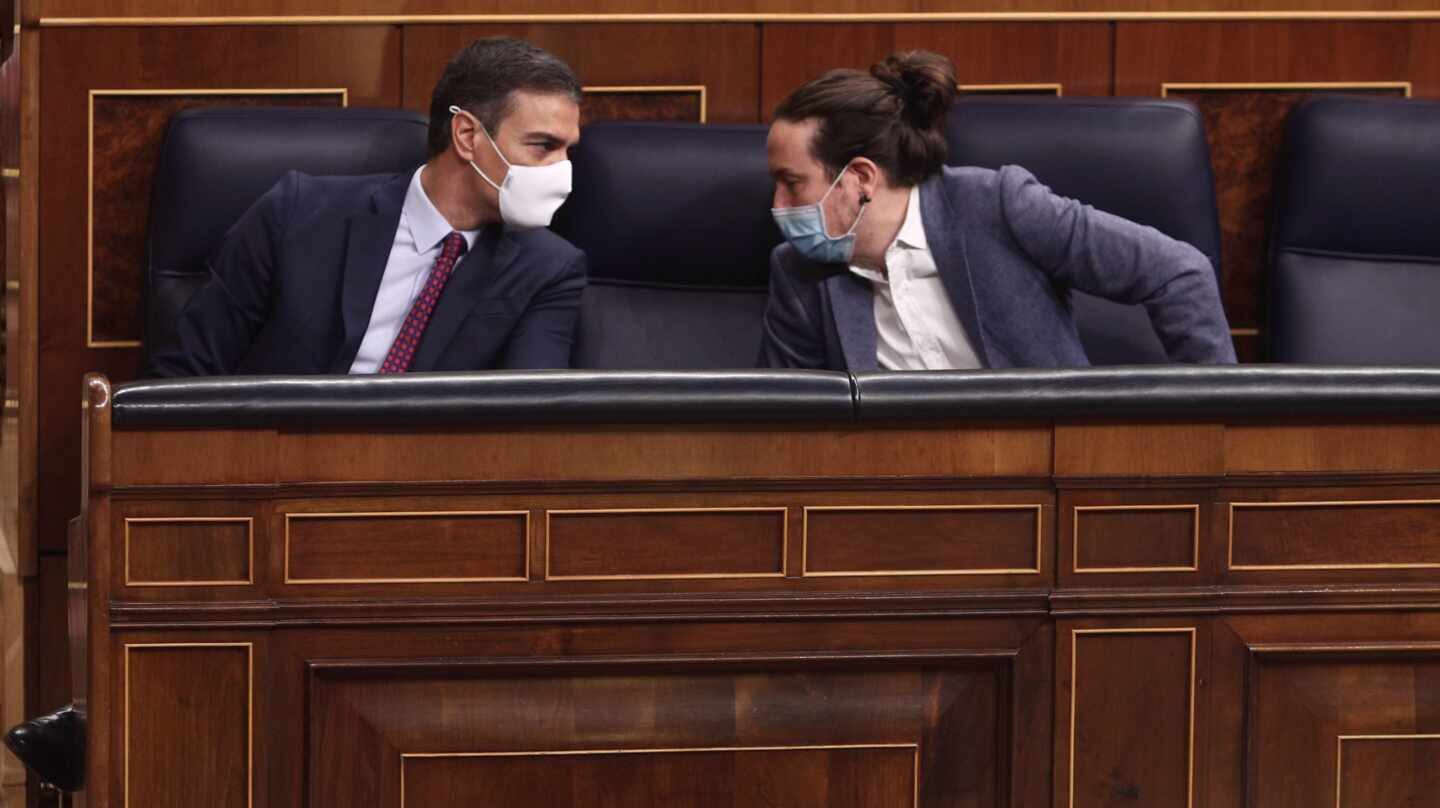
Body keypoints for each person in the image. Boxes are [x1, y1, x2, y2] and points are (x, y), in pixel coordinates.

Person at [758, 50, 1236, 371]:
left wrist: (1204, 435)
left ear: (860, 178)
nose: (778, 207)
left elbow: (1180, 273)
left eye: (792, 183)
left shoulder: (999, 206)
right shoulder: (798, 274)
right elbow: (788, 428)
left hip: (1050, 480)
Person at [146, 37, 588, 377]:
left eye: (567, 150)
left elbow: (529, 421)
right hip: (269, 474)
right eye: (543, 146)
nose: (561, 169)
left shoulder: (547, 269)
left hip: (420, 486)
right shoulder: (297, 215)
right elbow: (184, 377)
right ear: (468, 137)